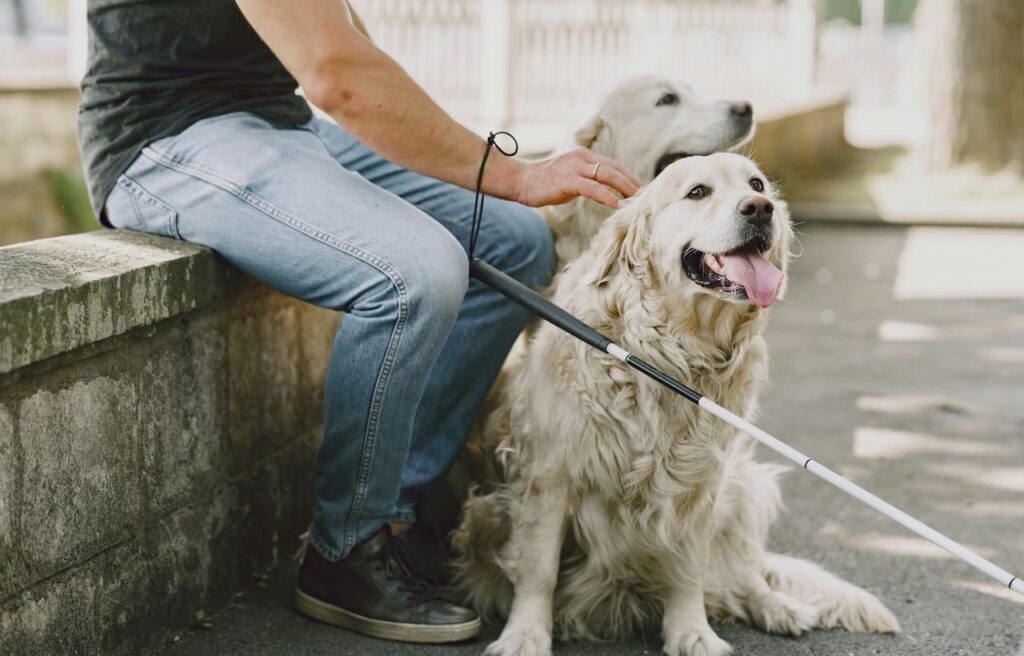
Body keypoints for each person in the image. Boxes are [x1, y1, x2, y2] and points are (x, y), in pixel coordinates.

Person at [77, 0, 639, 644]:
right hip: (168, 136)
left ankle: (397, 509)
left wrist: (480, 171)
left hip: (282, 122)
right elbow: (336, 75)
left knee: (512, 239)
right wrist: (512, 172)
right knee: (413, 273)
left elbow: (350, 49)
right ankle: (345, 549)